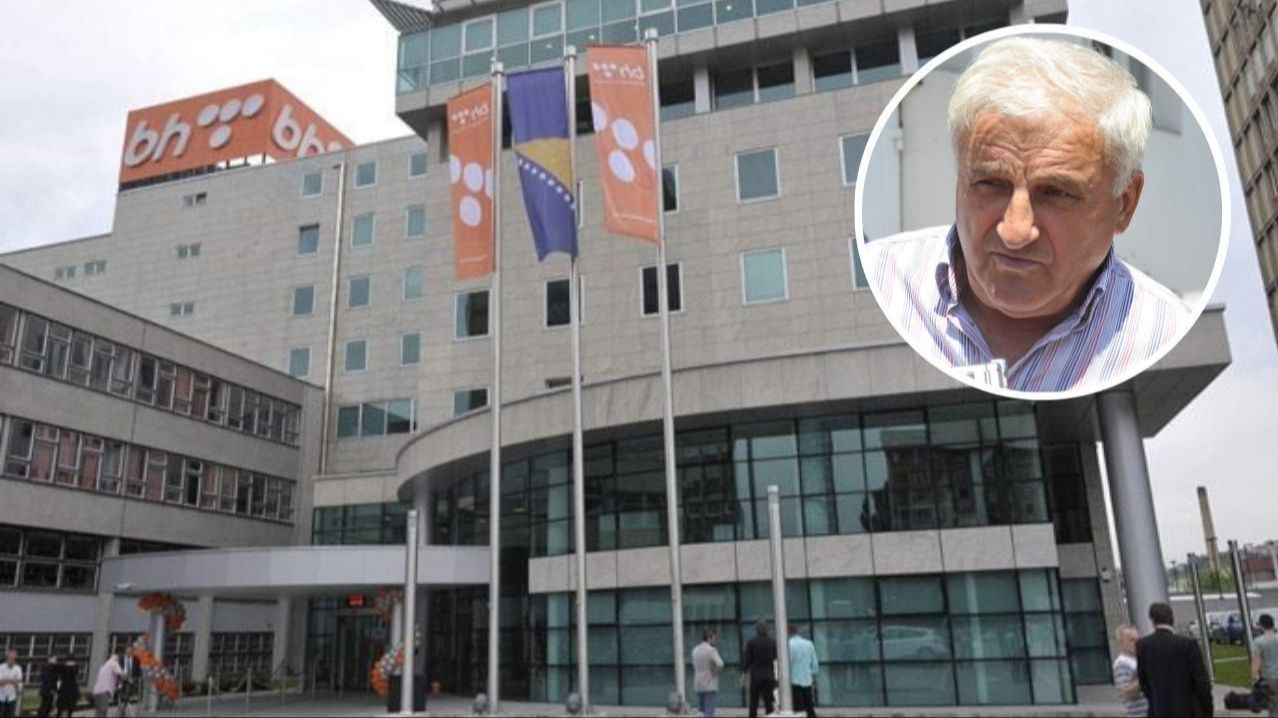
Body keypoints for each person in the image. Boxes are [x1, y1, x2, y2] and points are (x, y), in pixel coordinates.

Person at [862, 36, 1191, 393]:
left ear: (1125, 204)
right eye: (991, 184)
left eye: (1056, 193)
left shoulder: (1165, 335)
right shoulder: (882, 280)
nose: (1015, 232)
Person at [1137, 602, 1213, 717]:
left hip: (1158, 710)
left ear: (1152, 621)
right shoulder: (1188, 645)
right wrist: (1207, 710)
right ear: (1172, 619)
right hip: (1187, 709)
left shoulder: (1143, 646)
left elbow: (1143, 682)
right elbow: (1202, 682)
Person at [742, 620, 777, 718]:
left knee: (754, 703)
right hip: (769, 675)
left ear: (756, 630)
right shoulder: (772, 642)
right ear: (767, 629)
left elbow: (747, 660)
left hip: (756, 675)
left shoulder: (751, 642)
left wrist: (744, 673)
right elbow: (776, 657)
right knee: (769, 703)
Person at [1113, 625, 1149, 718]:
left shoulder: (1140, 659)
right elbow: (1126, 694)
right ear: (1121, 643)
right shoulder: (1122, 664)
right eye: (1132, 640)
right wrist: (1145, 676)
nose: (1137, 643)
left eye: (1138, 640)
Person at [691, 628, 724, 718]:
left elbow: (694, 665)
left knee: (701, 711)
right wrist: (715, 672)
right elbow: (720, 664)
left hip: (698, 683)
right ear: (710, 638)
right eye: (714, 638)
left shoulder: (695, 650)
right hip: (710, 683)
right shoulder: (711, 650)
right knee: (709, 711)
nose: (715, 640)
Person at [788, 624, 820, 718]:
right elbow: (815, 666)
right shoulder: (809, 644)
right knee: (809, 708)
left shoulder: (788, 645)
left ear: (788, 633)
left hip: (794, 682)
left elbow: (787, 664)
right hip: (807, 681)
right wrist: (813, 678)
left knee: (798, 710)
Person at [1251, 613, 1278, 717]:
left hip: (1269, 677)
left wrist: (1254, 677)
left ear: (1262, 625)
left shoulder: (1258, 641)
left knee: (1273, 706)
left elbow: (1256, 661)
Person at [91, 654, 125, 718]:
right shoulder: (113, 663)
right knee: (103, 711)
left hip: (96, 692)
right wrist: (127, 676)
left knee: (98, 711)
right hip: (104, 691)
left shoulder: (103, 666)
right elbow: (121, 674)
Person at [0, 650, 22, 718]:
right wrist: (13, 680)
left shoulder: (18, 668)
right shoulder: (1, 667)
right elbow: (0, 683)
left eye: (13, 659)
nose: (12, 660)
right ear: (7, 658)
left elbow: (19, 681)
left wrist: (6, 680)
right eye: (10, 658)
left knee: (10, 715)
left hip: (12, 697)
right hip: (1, 696)